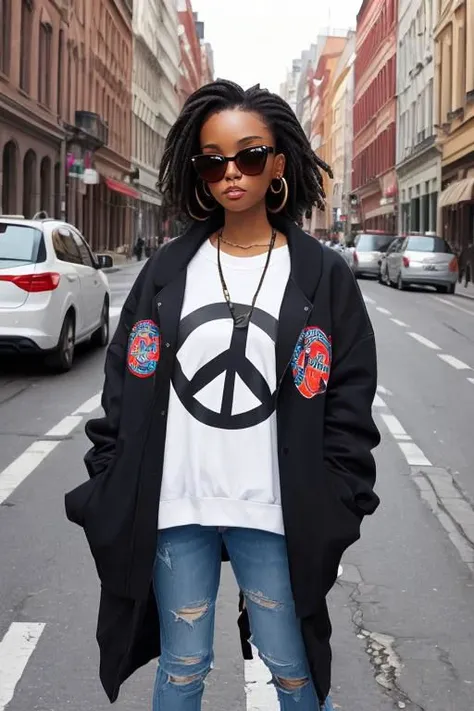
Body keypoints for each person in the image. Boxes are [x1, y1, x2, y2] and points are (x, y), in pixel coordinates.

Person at [65, 80, 380, 711]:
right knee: (183, 666)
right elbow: (126, 380)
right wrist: (111, 472)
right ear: (199, 172)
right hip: (178, 503)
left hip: (276, 509)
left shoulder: (321, 274)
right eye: (213, 161)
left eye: (250, 157)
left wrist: (339, 490)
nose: (231, 174)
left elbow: (348, 393)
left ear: (280, 164)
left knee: (292, 669)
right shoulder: (168, 270)